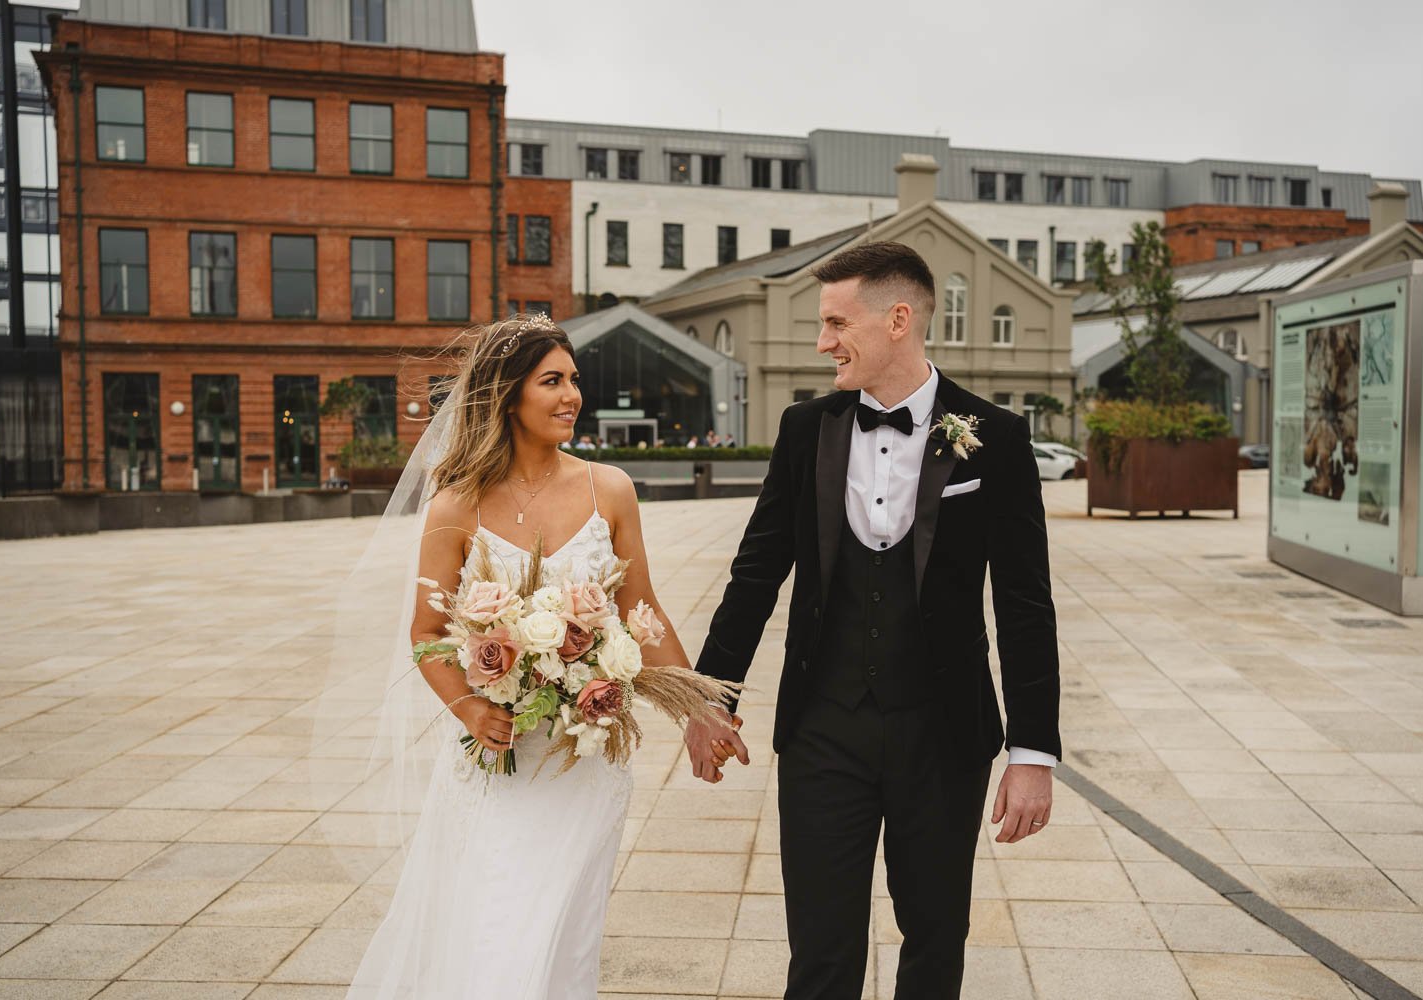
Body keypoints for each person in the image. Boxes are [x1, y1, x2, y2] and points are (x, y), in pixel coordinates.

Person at [686, 241, 1062, 999]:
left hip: (945, 735)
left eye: (836, 323)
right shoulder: (805, 429)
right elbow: (756, 574)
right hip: (823, 729)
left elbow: (1025, 603)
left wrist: (1032, 753)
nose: (822, 342)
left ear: (897, 320)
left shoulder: (995, 436)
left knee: (935, 942)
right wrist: (707, 700)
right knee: (821, 953)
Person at [343, 314, 700, 998]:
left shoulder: (610, 489)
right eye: (552, 381)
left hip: (584, 762)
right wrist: (470, 708)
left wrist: (699, 712)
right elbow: (426, 631)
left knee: (563, 934)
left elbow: (642, 612)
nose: (573, 396)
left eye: (574, 380)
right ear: (509, 395)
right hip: (497, 759)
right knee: (496, 931)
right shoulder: (456, 505)